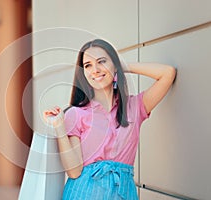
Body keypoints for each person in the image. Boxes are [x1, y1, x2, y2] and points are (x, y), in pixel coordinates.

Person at [43, 39, 176, 200]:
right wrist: (59, 127)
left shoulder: (134, 107)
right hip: (83, 193)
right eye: (88, 65)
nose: (95, 70)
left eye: (102, 62)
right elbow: (74, 171)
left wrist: (121, 67)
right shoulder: (76, 114)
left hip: (124, 193)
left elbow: (167, 74)